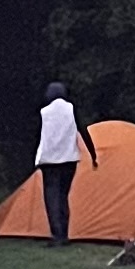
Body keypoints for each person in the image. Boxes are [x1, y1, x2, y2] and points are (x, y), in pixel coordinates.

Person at [34, 82, 98, 244]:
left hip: (50, 161)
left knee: (52, 197)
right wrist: (93, 154)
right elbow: (83, 130)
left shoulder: (44, 112)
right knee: (63, 196)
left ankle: (56, 234)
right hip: (69, 159)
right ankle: (64, 234)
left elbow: (37, 137)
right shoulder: (71, 109)